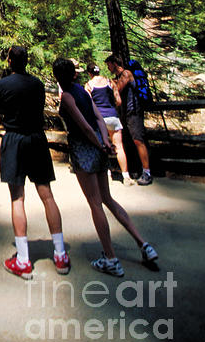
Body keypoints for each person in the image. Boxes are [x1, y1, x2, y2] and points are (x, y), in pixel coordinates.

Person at [54, 57, 158, 278]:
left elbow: (82, 125)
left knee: (95, 204)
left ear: (56, 76)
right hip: (99, 148)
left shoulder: (68, 98)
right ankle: (143, 244)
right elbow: (99, 119)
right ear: (74, 73)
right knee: (107, 199)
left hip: (84, 150)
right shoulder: (84, 92)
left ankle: (111, 259)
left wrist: (99, 144)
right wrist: (106, 142)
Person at [0, 46, 70, 278]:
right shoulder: (36, 83)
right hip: (37, 138)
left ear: (9, 61)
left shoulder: (2, 85)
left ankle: (23, 260)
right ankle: (61, 255)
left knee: (17, 198)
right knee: (47, 195)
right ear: (26, 61)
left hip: (15, 139)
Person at [105, 54, 152, 185]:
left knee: (138, 140)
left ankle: (147, 172)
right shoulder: (120, 76)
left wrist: (110, 84)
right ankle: (137, 169)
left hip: (134, 112)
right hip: (127, 113)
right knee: (131, 141)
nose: (108, 68)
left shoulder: (126, 74)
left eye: (108, 65)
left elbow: (118, 88)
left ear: (114, 63)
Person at [84, 62, 131, 184]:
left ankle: (106, 173)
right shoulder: (110, 82)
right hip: (113, 116)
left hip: (99, 118)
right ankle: (126, 176)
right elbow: (118, 101)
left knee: (102, 146)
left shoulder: (89, 85)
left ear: (89, 73)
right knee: (119, 146)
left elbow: (88, 103)